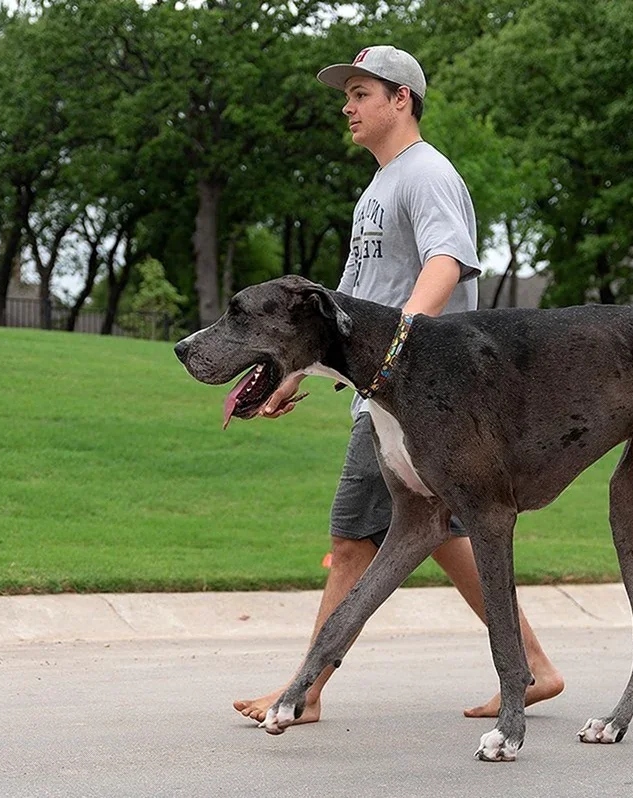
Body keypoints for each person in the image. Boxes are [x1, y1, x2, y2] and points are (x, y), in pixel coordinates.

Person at [232, 45, 563, 726]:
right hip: (388, 389)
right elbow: (347, 307)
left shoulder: (426, 174)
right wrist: (294, 369)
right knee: (437, 530)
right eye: (347, 96)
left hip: (415, 389)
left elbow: (448, 260)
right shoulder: (379, 187)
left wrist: (399, 348)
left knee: (354, 538)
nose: (347, 108)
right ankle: (532, 666)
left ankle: (306, 690)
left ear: (400, 99)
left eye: (360, 94)